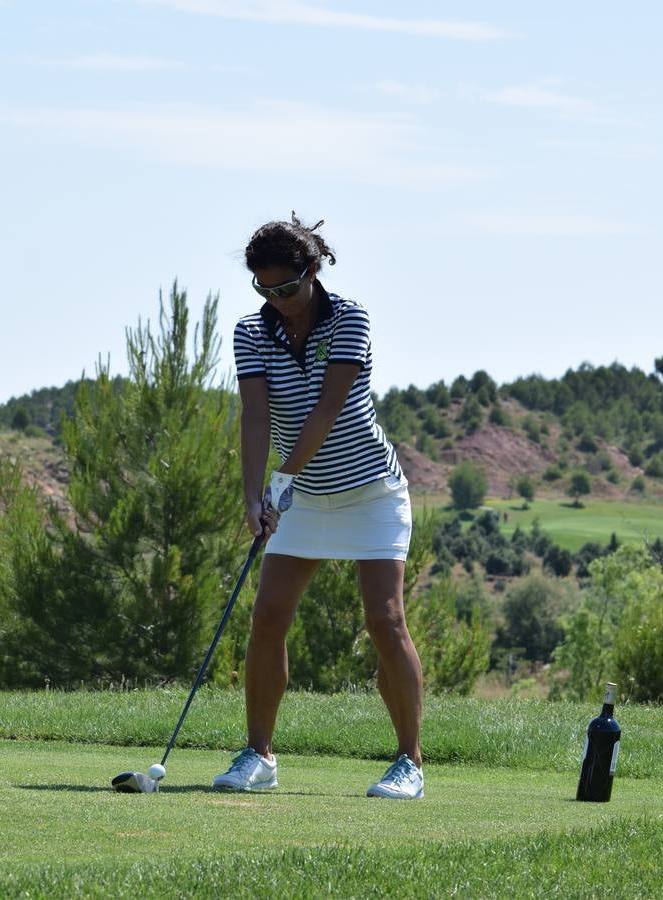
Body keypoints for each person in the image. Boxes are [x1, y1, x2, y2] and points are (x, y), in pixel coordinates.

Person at [212, 213, 425, 800]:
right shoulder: (251, 334)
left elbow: (327, 411)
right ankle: (259, 755)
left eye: (287, 287)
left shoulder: (350, 318)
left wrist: (280, 480)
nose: (277, 300)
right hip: (300, 496)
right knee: (268, 616)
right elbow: (256, 415)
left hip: (370, 493)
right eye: (264, 290)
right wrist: (252, 495)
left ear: (313, 269)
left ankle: (409, 762)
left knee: (385, 620)